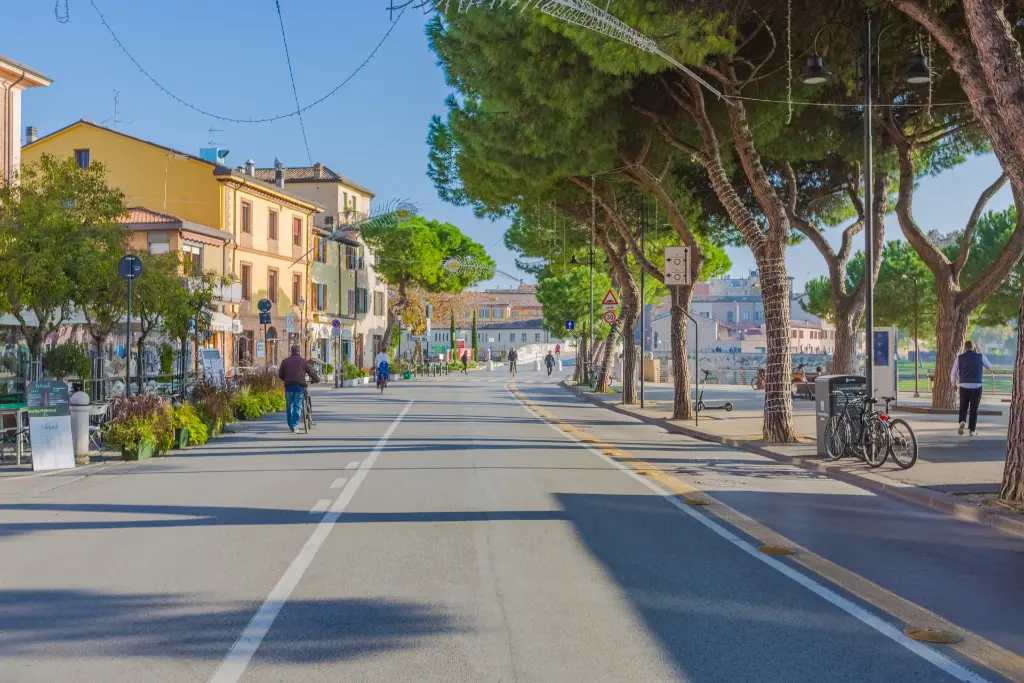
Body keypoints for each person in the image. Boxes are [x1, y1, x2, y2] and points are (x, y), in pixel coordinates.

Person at [952, 340, 992, 436]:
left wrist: (954, 384)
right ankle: (972, 430)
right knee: (974, 409)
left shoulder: (959, 358)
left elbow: (953, 372)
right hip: (977, 385)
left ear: (965, 348)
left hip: (963, 385)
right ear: (974, 347)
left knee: (963, 406)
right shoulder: (981, 356)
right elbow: (989, 367)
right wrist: (979, 352)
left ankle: (962, 420)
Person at [278, 344, 319, 433]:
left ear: (291, 351)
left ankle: (291, 425)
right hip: (299, 386)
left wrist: (286, 379)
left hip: (288, 387)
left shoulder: (285, 361)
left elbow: (280, 375)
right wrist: (317, 379)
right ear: (299, 352)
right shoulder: (303, 361)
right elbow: (312, 372)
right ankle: (294, 425)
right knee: (297, 406)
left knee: (289, 406)